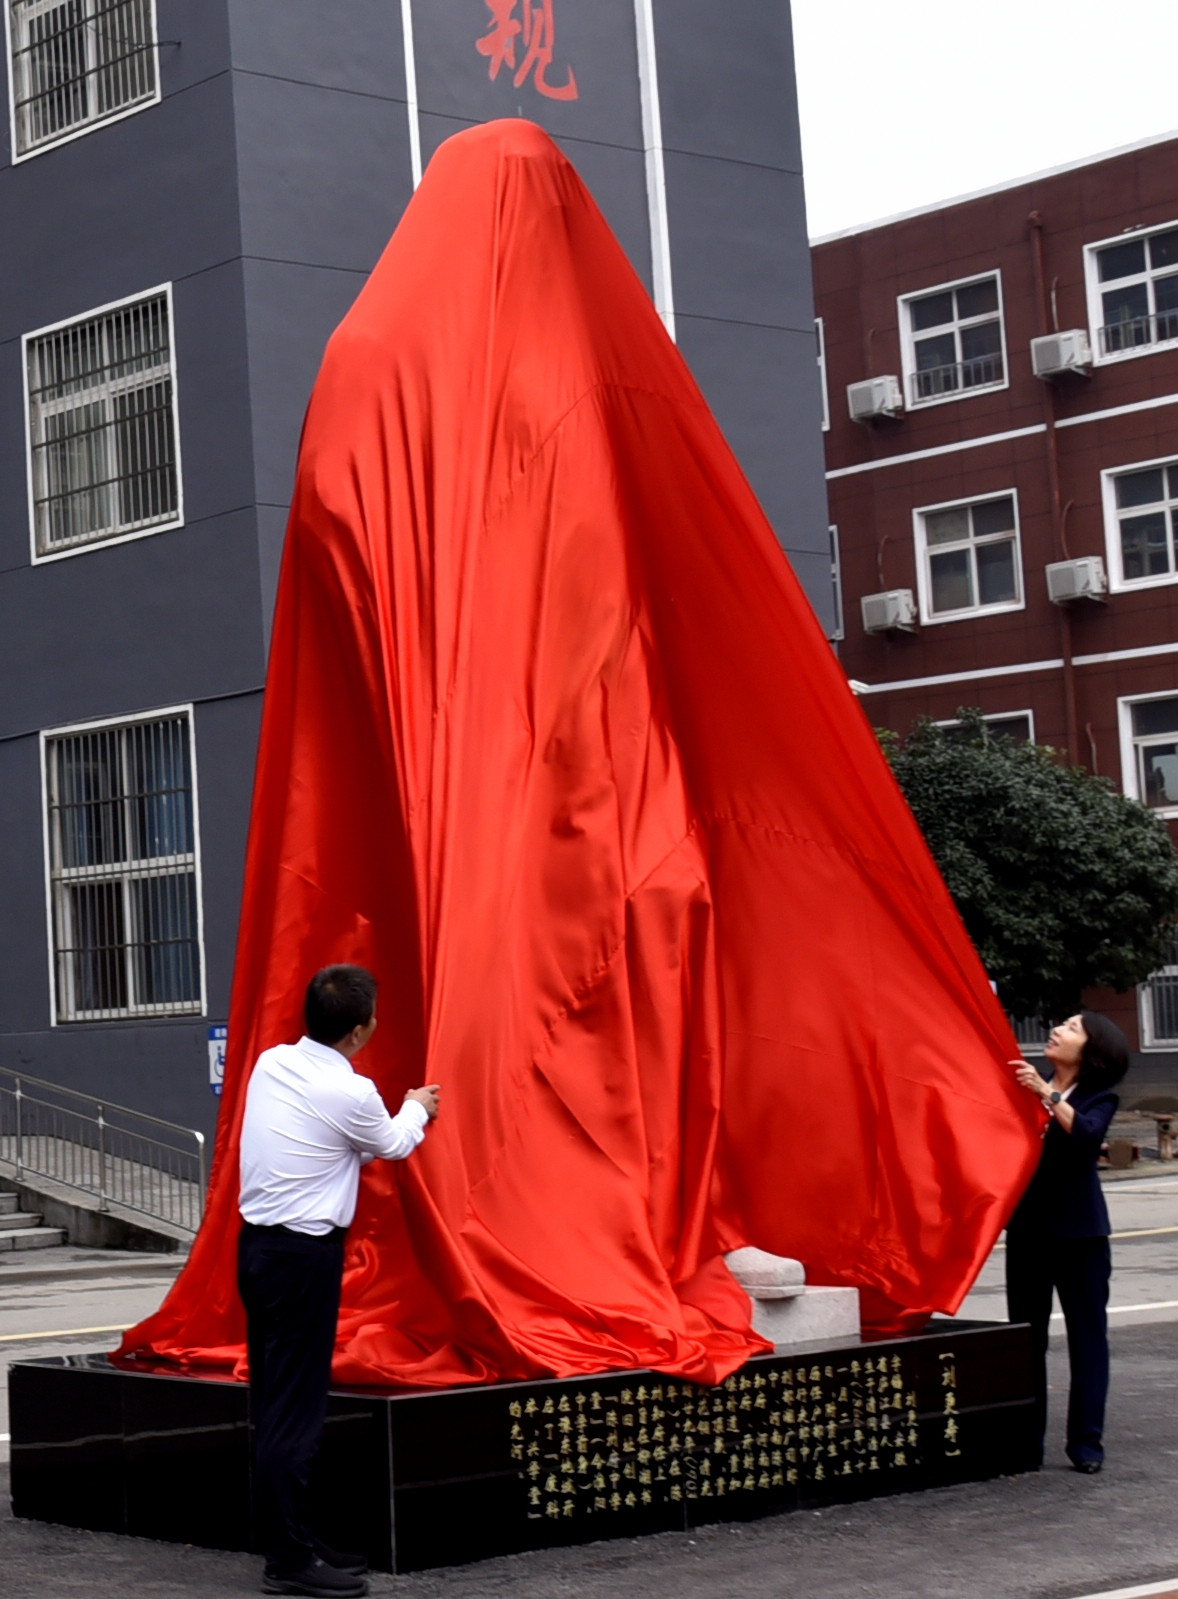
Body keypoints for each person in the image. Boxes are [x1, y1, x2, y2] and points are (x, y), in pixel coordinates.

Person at [237, 964, 440, 1597]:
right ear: (360, 1031)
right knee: (293, 1413)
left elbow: (339, 1140)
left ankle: (293, 1537)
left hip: (258, 1252)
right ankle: (287, 1563)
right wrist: (417, 1107)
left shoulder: (271, 1063)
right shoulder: (351, 1092)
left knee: (274, 1404)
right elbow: (394, 1144)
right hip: (302, 1259)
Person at [1006, 1009, 1130, 1475]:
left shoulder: (1099, 1096)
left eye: (1072, 1027)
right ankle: (1027, 1442)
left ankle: (1086, 1443)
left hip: (1081, 1238)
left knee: (1087, 1340)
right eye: (1061, 1024)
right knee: (1026, 1340)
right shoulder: (1025, 1084)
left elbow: (1087, 1134)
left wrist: (1046, 1094)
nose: (1057, 1029)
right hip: (1028, 1234)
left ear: (1092, 1049)